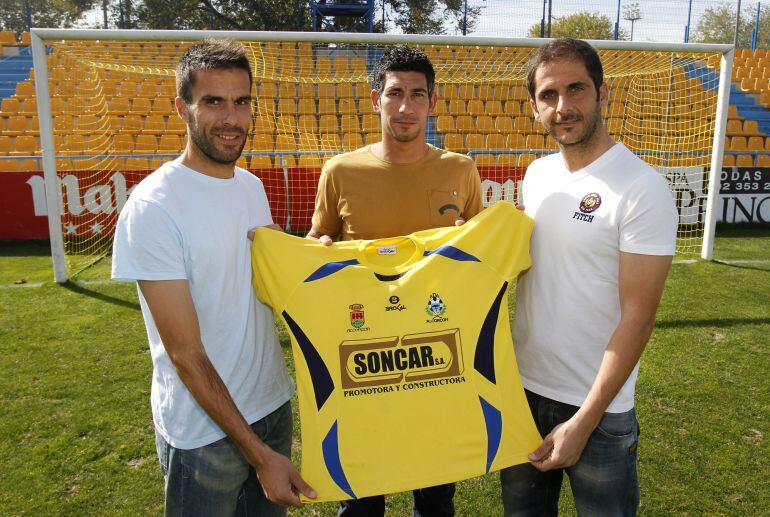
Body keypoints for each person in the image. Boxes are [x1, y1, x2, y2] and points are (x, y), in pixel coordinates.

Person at [111, 39, 315, 515]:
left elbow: (265, 276)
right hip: (205, 434)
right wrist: (259, 455)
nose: (231, 118)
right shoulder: (154, 207)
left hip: (271, 406)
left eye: (241, 102)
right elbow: (185, 353)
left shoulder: (251, 186)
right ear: (182, 108)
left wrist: (311, 258)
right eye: (214, 102)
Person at [500, 38, 678, 516]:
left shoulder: (642, 188)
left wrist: (585, 420)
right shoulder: (537, 175)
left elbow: (638, 320)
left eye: (576, 89)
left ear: (603, 92)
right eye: (548, 95)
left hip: (598, 409)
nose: (563, 107)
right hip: (525, 394)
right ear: (534, 106)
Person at [308, 45, 483, 517]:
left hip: (439, 357)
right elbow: (318, 239)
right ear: (375, 100)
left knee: (436, 496)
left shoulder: (459, 170)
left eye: (417, 95)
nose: (406, 106)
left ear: (432, 102)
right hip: (363, 358)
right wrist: (318, 248)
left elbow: (480, 251)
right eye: (395, 93)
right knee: (362, 495)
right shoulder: (340, 171)